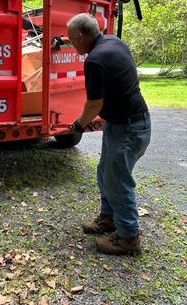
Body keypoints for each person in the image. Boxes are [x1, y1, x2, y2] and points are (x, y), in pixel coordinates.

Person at [67, 13, 151, 256]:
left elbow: (94, 104)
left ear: (82, 37)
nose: (72, 45)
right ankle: (109, 218)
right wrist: (60, 42)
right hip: (126, 124)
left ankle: (129, 238)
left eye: (72, 40)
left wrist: (79, 125)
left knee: (118, 182)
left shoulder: (94, 60)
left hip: (128, 129)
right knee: (105, 172)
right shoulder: (113, 42)